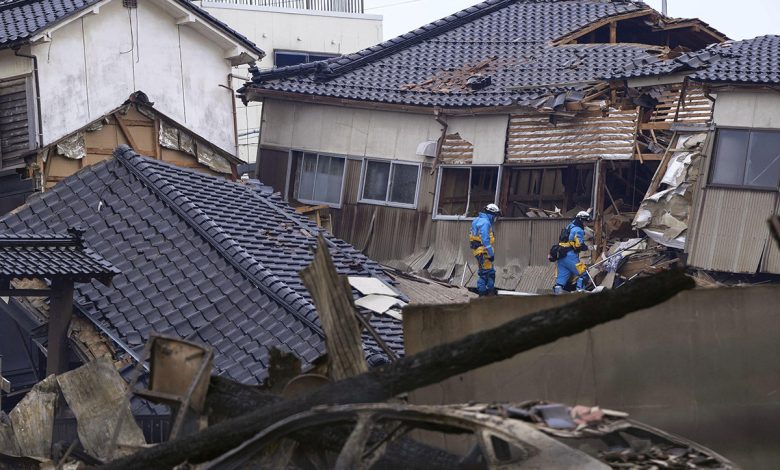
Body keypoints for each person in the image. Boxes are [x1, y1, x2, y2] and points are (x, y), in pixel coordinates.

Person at [554, 211, 591, 295]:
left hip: (561, 255)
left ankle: (557, 297)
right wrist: (587, 247)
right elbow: (579, 244)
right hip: (570, 256)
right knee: (584, 274)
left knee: (560, 281)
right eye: (585, 221)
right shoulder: (579, 230)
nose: (586, 223)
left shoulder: (569, 226)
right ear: (581, 220)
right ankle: (579, 294)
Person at [469, 204, 501, 296]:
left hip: (479, 251)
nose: (495, 218)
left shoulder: (477, 220)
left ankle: (487, 293)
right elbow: (485, 240)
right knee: (487, 274)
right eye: (495, 215)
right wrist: (491, 254)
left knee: (487, 272)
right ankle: (483, 295)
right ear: (492, 214)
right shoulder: (485, 223)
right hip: (484, 252)